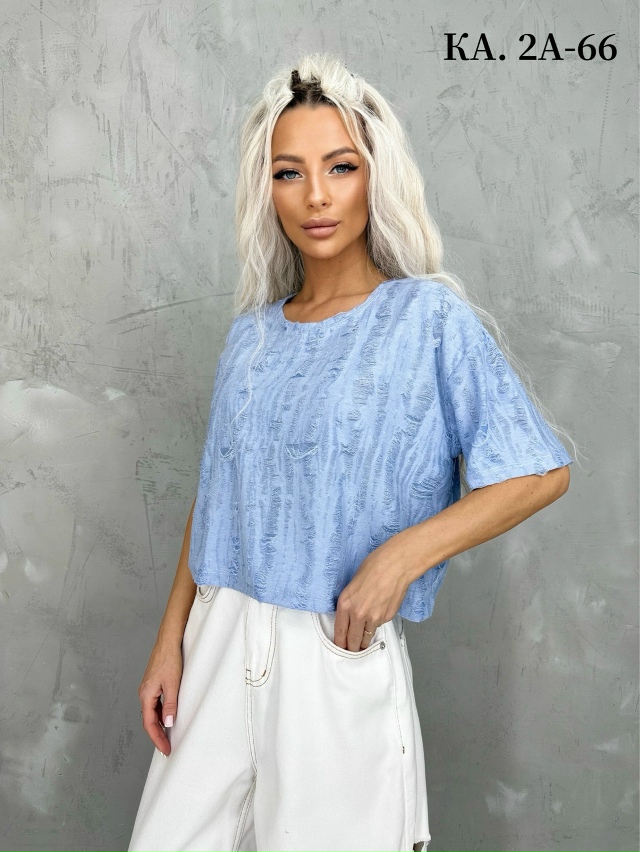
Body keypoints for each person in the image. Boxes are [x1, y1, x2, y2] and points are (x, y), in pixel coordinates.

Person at [127, 53, 573, 852]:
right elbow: (222, 490)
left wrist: (401, 557)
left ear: (375, 175)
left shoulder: (427, 320)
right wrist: (172, 640)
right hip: (217, 641)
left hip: (329, 651)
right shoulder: (250, 338)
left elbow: (540, 470)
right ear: (267, 191)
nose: (317, 196)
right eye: (289, 173)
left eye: (340, 166)